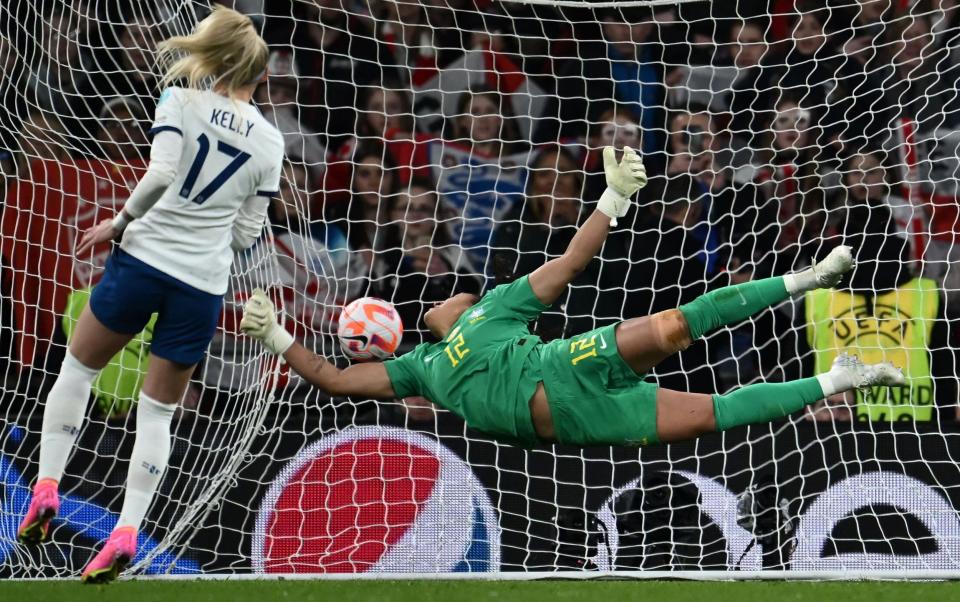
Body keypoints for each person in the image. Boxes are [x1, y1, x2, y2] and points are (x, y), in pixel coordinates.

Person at [241, 146, 904, 451]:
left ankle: (807, 277)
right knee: (715, 415)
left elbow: (570, 262)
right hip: (581, 424)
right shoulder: (418, 369)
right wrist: (276, 336)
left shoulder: (493, 306)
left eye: (462, 292)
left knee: (676, 323)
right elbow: (330, 377)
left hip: (568, 365)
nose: (458, 294)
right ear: (421, 324)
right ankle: (832, 382)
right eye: (446, 298)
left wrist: (612, 198)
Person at [16, 7, 282, 584]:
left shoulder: (179, 101)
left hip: (142, 261)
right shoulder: (270, 141)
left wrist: (119, 222)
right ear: (260, 76)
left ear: (210, 59)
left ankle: (46, 486)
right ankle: (128, 531)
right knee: (158, 413)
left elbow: (160, 174)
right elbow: (248, 233)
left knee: (78, 371)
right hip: (201, 285)